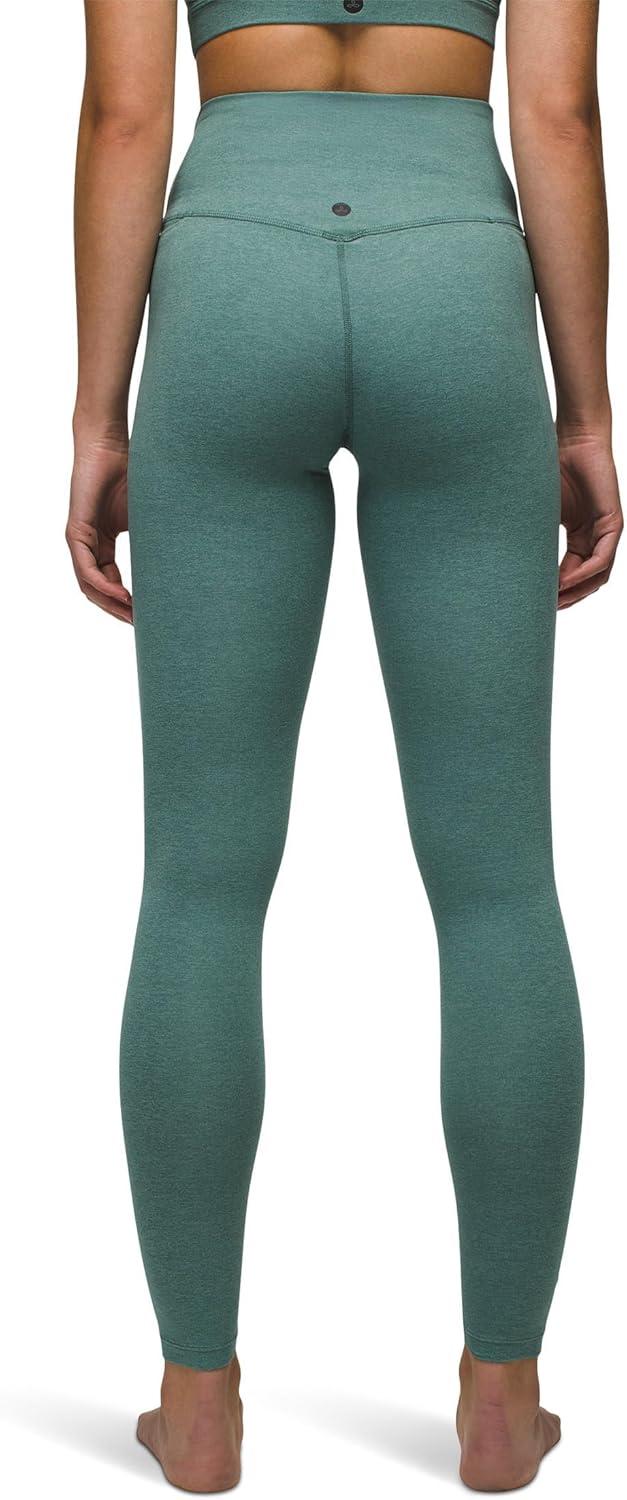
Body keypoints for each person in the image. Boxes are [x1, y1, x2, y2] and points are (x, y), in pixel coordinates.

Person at [67, 1, 622, 1492]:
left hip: (229, 279)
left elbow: (127, 117)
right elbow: (557, 117)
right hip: (458, 276)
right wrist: (585, 413)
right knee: (499, 884)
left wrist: (99, 418)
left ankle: (197, 1405)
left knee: (200, 882)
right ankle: (502, 1399)